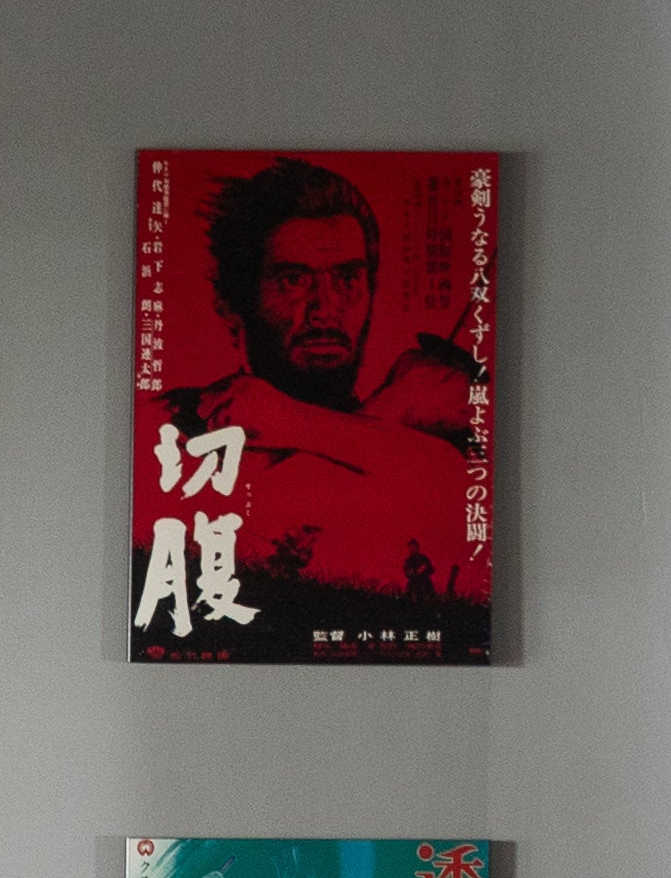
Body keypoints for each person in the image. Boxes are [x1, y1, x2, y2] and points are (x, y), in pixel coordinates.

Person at [147, 159, 479, 617]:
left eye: (348, 278)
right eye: (293, 280)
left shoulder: (425, 450)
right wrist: (393, 407)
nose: (325, 308)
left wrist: (307, 423)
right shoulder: (165, 427)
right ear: (232, 304)